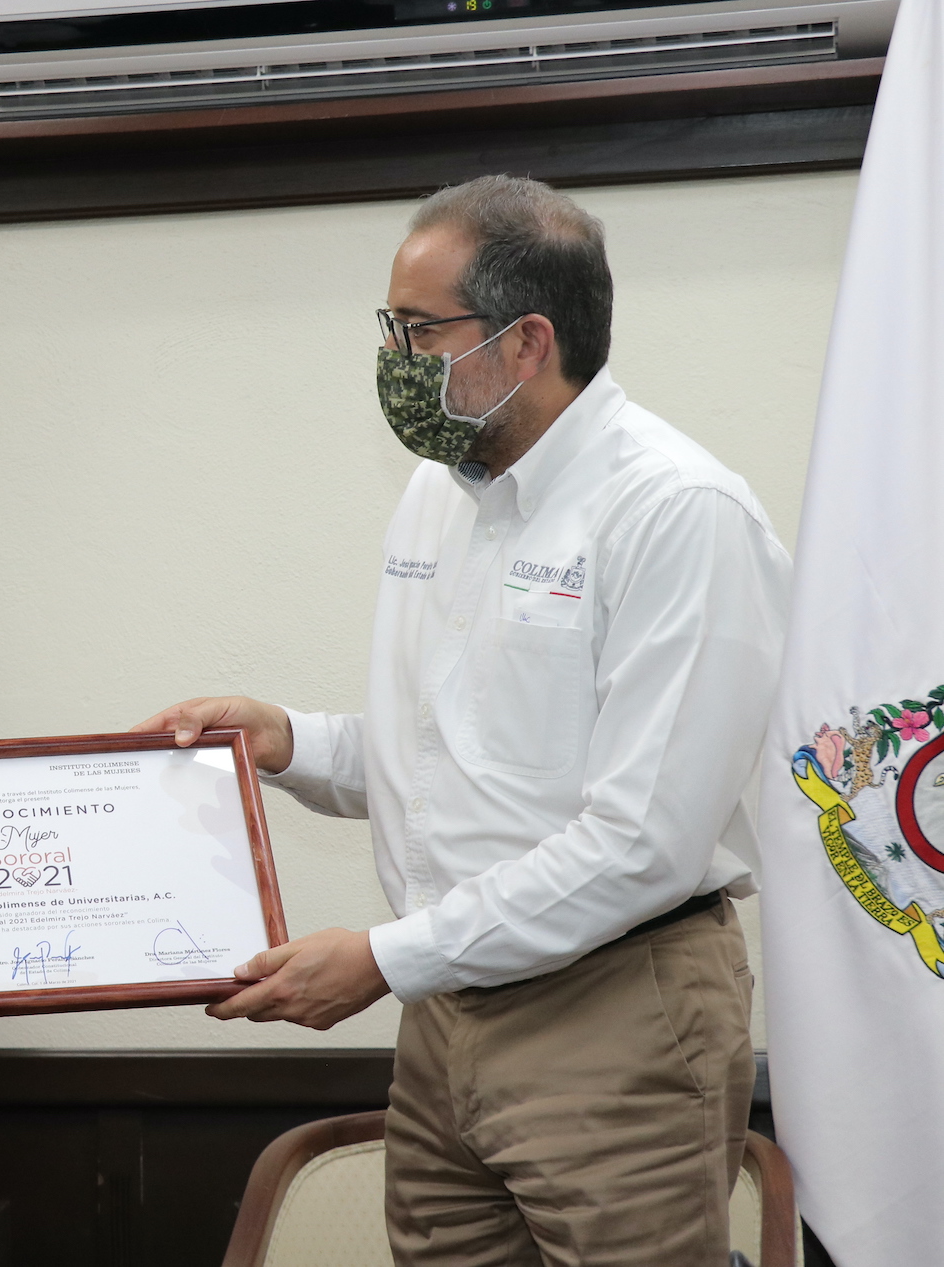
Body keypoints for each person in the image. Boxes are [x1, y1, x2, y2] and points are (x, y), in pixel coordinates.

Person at [136, 176, 790, 1264]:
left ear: (527, 341)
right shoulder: (441, 493)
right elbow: (449, 760)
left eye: (419, 329)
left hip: (613, 1013)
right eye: (389, 326)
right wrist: (286, 740)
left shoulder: (678, 513)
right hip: (445, 1017)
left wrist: (386, 957)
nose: (393, 357)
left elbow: (642, 841)